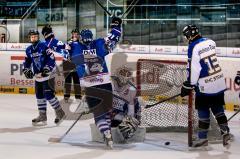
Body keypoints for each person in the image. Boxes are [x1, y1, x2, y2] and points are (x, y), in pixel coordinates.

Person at [70, 17, 122, 148]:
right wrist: (116, 25)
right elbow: (115, 37)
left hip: (91, 86)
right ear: (91, 37)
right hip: (105, 84)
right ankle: (109, 132)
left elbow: (56, 48)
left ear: (81, 38)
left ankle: (107, 134)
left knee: (98, 114)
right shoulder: (99, 43)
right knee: (107, 110)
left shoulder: (75, 47)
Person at [181, 25, 231, 148]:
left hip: (205, 86)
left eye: (186, 36)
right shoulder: (210, 42)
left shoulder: (193, 47)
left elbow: (194, 68)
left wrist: (189, 84)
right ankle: (225, 131)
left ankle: (202, 138)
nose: (185, 39)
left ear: (189, 35)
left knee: (203, 111)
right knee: (218, 108)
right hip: (218, 81)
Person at [23, 30, 66, 126]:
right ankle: (42, 116)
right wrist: (26, 69)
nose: (33, 38)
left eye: (35, 36)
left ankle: (60, 113)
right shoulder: (29, 49)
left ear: (38, 37)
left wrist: (47, 68)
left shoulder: (43, 46)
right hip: (38, 76)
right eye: (32, 37)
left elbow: (51, 57)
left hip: (48, 75)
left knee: (49, 95)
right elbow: (27, 61)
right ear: (29, 38)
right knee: (39, 96)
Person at [111, 66, 141, 139]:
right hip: (112, 115)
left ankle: (129, 127)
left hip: (123, 116)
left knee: (130, 122)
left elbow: (132, 113)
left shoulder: (131, 90)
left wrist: (129, 120)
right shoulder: (110, 86)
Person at [63, 29, 82, 103]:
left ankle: (78, 96)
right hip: (68, 64)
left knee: (76, 80)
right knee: (68, 80)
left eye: (76, 34)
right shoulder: (68, 43)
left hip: (77, 64)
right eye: (73, 34)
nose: (75, 35)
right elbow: (64, 52)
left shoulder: (80, 44)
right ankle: (66, 96)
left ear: (78, 35)